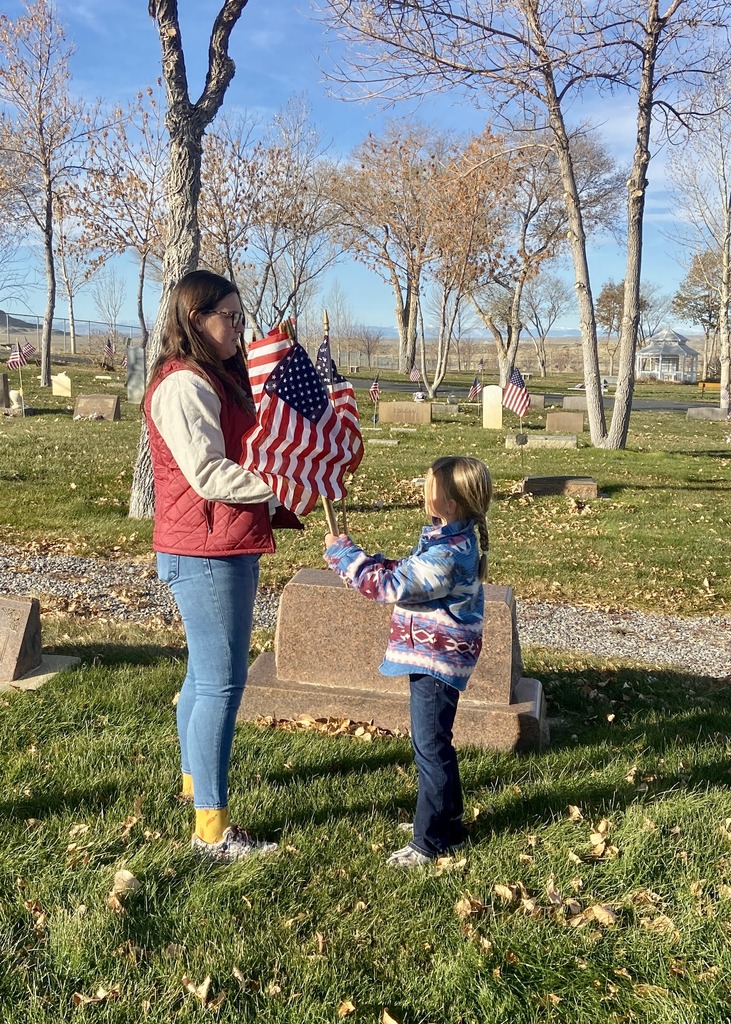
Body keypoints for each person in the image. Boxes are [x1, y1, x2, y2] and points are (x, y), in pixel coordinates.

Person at [144, 269, 299, 864]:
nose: (238, 326)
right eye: (227, 317)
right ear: (194, 320)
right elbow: (207, 473)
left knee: (204, 675)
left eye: (240, 315)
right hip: (206, 550)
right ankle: (211, 830)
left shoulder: (214, 374)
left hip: (218, 542)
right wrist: (281, 486)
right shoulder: (183, 384)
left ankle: (193, 784)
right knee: (222, 681)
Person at [323, 455, 492, 869]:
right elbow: (404, 570)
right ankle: (446, 821)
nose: (422, 492)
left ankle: (429, 841)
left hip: (437, 660)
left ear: (450, 503)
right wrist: (366, 559)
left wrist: (347, 556)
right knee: (437, 744)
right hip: (437, 656)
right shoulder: (447, 540)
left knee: (429, 748)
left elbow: (392, 586)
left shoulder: (448, 554)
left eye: (430, 487)